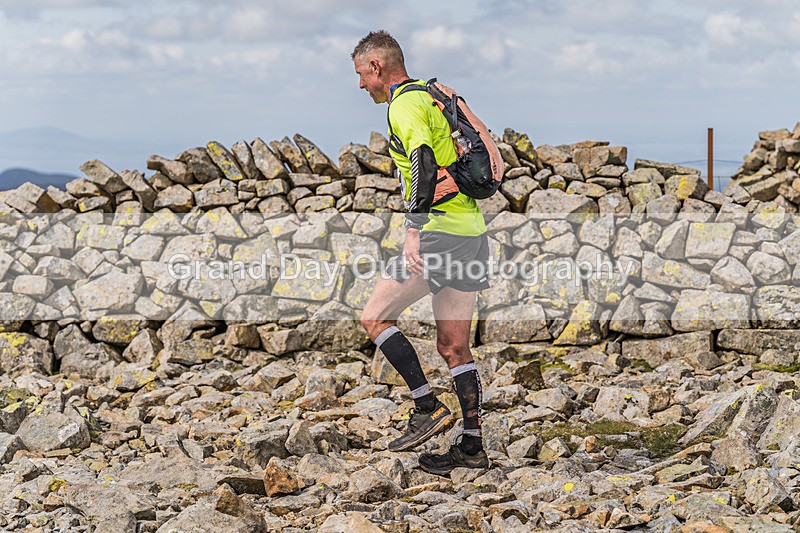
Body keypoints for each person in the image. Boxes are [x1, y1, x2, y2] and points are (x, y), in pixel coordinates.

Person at [352, 30, 491, 475]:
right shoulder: (430, 98)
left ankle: (425, 405)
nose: (360, 86)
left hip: (437, 234)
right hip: (470, 230)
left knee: (374, 316)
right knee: (454, 346)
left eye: (360, 75)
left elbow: (424, 164)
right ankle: (472, 447)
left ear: (377, 67)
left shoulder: (403, 104)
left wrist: (413, 232)